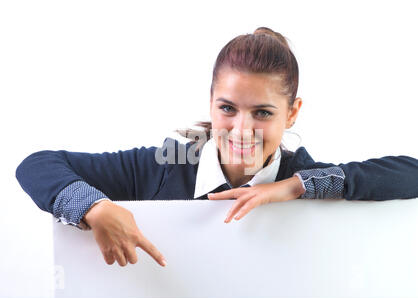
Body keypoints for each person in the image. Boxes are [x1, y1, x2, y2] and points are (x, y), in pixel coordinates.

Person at [15, 27, 418, 268]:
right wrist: (94, 207)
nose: (242, 130)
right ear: (210, 102)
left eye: (262, 113)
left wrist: (295, 187)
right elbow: (38, 164)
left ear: (292, 113)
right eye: (228, 109)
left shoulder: (307, 175)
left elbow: (410, 172)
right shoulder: (161, 166)